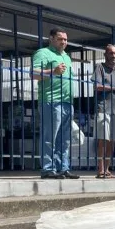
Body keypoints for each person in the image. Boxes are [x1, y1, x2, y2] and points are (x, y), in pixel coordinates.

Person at [32, 28, 78, 179]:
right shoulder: (43, 53)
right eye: (60, 39)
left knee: (64, 139)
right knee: (49, 137)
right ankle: (48, 168)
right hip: (51, 100)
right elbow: (34, 74)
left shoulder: (66, 56)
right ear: (51, 39)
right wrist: (53, 71)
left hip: (67, 102)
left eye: (65, 39)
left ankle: (62, 167)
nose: (64, 42)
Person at [91, 44, 115, 178]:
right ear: (105, 54)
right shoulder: (100, 67)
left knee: (113, 140)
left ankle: (107, 169)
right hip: (103, 107)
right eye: (111, 53)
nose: (113, 56)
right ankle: (100, 170)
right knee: (103, 139)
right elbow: (97, 86)